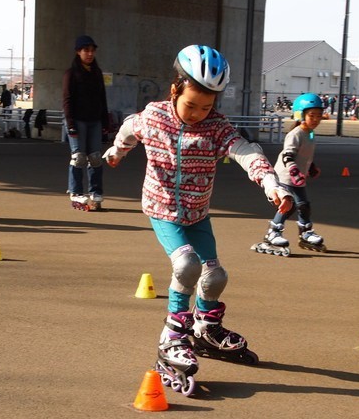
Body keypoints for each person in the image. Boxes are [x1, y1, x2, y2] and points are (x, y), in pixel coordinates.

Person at [103, 45, 293, 396]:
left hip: (197, 212)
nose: (198, 114)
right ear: (175, 90)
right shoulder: (155, 116)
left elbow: (245, 150)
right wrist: (116, 151)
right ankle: (172, 336)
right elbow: (130, 128)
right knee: (187, 265)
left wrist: (270, 182)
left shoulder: (216, 128)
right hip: (162, 210)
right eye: (191, 105)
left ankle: (206, 327)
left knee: (215, 275)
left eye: (207, 107)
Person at [254, 93, 326, 256]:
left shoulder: (310, 134)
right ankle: (273, 232)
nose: (315, 119)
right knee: (290, 204)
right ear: (301, 115)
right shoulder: (295, 134)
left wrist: (311, 167)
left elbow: (304, 155)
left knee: (304, 205)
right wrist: (295, 172)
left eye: (319, 116)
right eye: (311, 115)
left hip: (298, 177)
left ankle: (306, 233)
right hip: (286, 176)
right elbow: (288, 156)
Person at [62, 34, 110, 211]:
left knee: (96, 158)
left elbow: (102, 98)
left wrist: (106, 122)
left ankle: (95, 192)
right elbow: (67, 100)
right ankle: (76, 192)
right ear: (78, 52)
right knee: (79, 157)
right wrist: (70, 123)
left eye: (92, 51)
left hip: (94, 120)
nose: (89, 54)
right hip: (77, 120)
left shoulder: (96, 73)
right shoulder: (71, 74)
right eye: (85, 50)